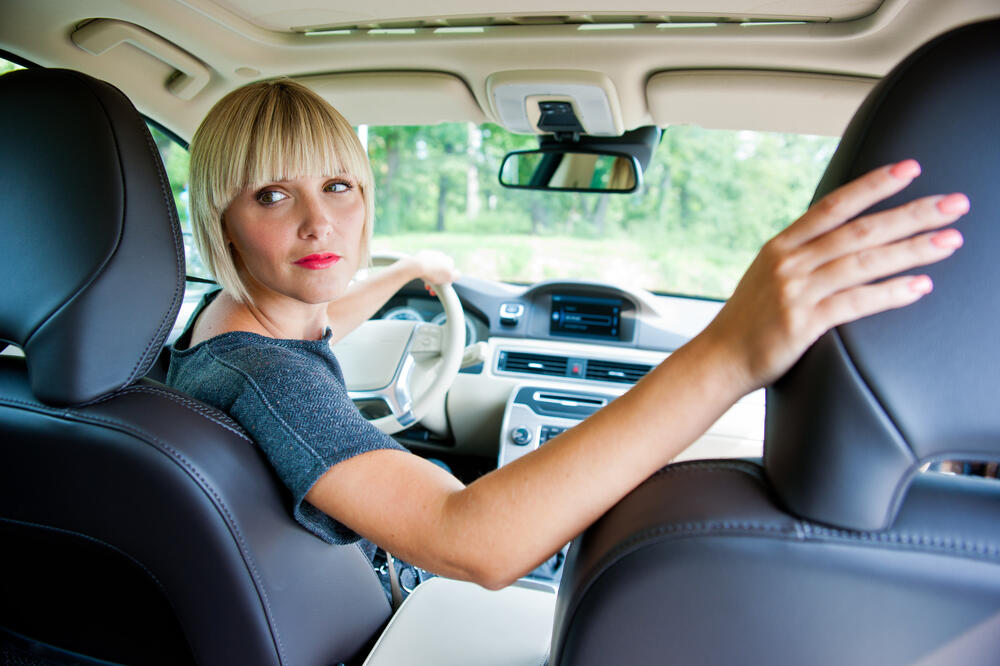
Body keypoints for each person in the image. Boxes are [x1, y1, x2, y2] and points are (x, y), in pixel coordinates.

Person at [167, 79, 969, 593]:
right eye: (272, 194)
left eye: (338, 186)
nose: (319, 222)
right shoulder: (270, 382)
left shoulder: (220, 329)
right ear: (222, 222)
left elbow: (317, 321)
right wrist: (730, 350)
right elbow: (470, 539)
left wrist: (404, 273)